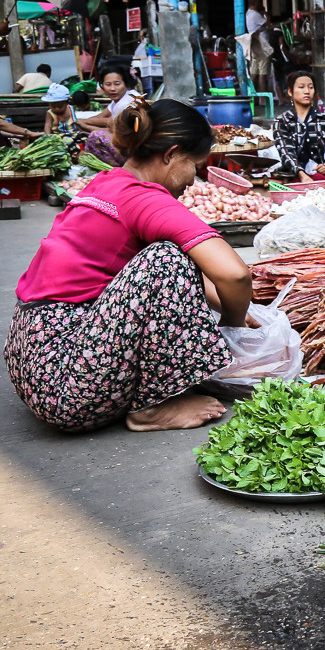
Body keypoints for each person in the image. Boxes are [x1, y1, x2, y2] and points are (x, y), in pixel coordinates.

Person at [5, 98, 254, 433]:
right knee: (167, 258)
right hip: (66, 387)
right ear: (171, 154)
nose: (194, 180)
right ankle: (152, 408)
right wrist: (232, 325)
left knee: (175, 256)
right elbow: (235, 274)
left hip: (34, 360)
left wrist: (222, 302)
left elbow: (185, 279)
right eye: (195, 165)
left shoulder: (108, 182)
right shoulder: (144, 198)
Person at [273, 71, 325, 180]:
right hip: (291, 177)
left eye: (310, 87)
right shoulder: (282, 121)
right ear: (290, 91)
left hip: (318, 177)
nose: (307, 91)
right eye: (301, 87)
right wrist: (301, 174)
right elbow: (286, 153)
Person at [78, 65, 142, 133]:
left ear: (125, 84)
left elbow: (111, 125)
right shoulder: (119, 98)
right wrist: (81, 122)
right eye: (108, 84)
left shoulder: (128, 101)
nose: (112, 89)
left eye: (117, 84)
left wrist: (83, 125)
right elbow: (102, 116)